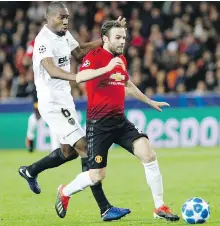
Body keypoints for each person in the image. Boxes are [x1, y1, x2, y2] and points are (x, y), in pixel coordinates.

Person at [55, 20, 180, 222]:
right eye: (118, 38)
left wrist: (149, 101)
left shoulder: (120, 58)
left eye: (124, 37)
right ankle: (65, 191)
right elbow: (81, 76)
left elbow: (127, 84)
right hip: (99, 125)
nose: (123, 41)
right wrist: (107, 68)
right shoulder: (94, 57)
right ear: (105, 39)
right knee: (96, 176)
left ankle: (159, 207)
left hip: (120, 121)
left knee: (148, 154)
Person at [18, 1, 130, 221]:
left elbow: (78, 53)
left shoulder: (64, 34)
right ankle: (105, 208)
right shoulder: (43, 41)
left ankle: (30, 171)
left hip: (65, 100)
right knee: (85, 148)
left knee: (68, 152)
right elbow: (50, 69)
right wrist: (76, 77)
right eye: (61, 17)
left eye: (67, 17)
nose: (66, 21)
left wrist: (106, 39)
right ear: (48, 18)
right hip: (51, 103)